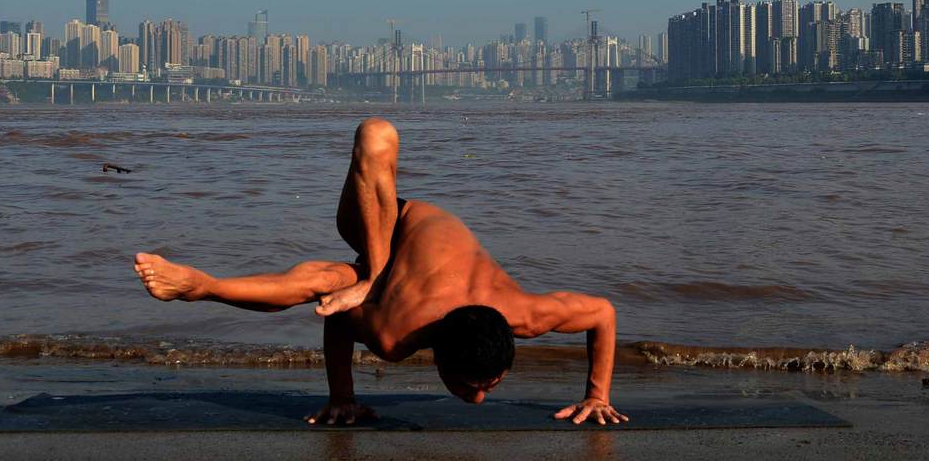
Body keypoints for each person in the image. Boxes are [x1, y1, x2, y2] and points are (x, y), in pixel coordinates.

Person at [134, 117, 627, 426]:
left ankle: (203, 285)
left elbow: (603, 312)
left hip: (406, 267)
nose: (476, 400)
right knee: (375, 134)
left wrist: (597, 396)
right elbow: (336, 319)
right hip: (389, 220)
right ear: (434, 356)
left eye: (487, 385)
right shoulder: (397, 333)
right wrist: (342, 395)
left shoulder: (524, 316)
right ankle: (373, 274)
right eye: (472, 386)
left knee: (330, 283)